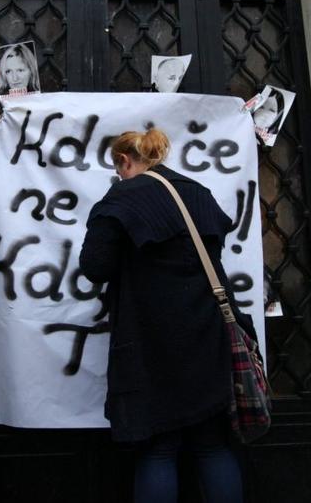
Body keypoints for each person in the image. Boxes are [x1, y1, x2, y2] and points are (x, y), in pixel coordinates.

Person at [79, 128, 245, 503]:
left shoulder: (123, 197)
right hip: (208, 336)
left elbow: (95, 267)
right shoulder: (198, 192)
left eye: (117, 169)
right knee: (212, 445)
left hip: (150, 342)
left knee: (158, 449)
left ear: (124, 160)